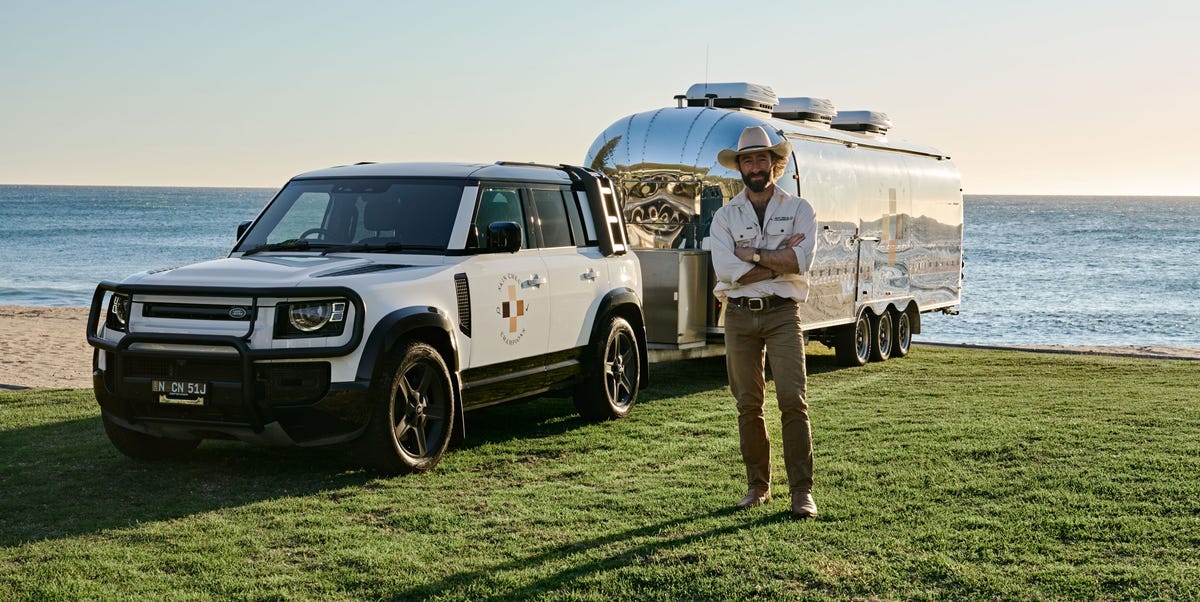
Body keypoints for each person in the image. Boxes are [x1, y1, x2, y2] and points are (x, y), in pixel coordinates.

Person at [709, 125, 818, 517]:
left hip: (783, 315)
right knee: (748, 405)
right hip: (738, 317)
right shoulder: (724, 217)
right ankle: (758, 487)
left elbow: (801, 261)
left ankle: (801, 493)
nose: (755, 166)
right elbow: (725, 270)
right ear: (739, 167)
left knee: (793, 400)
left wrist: (751, 255)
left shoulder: (800, 209)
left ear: (776, 164)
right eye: (748, 160)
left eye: (762, 159)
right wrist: (777, 261)